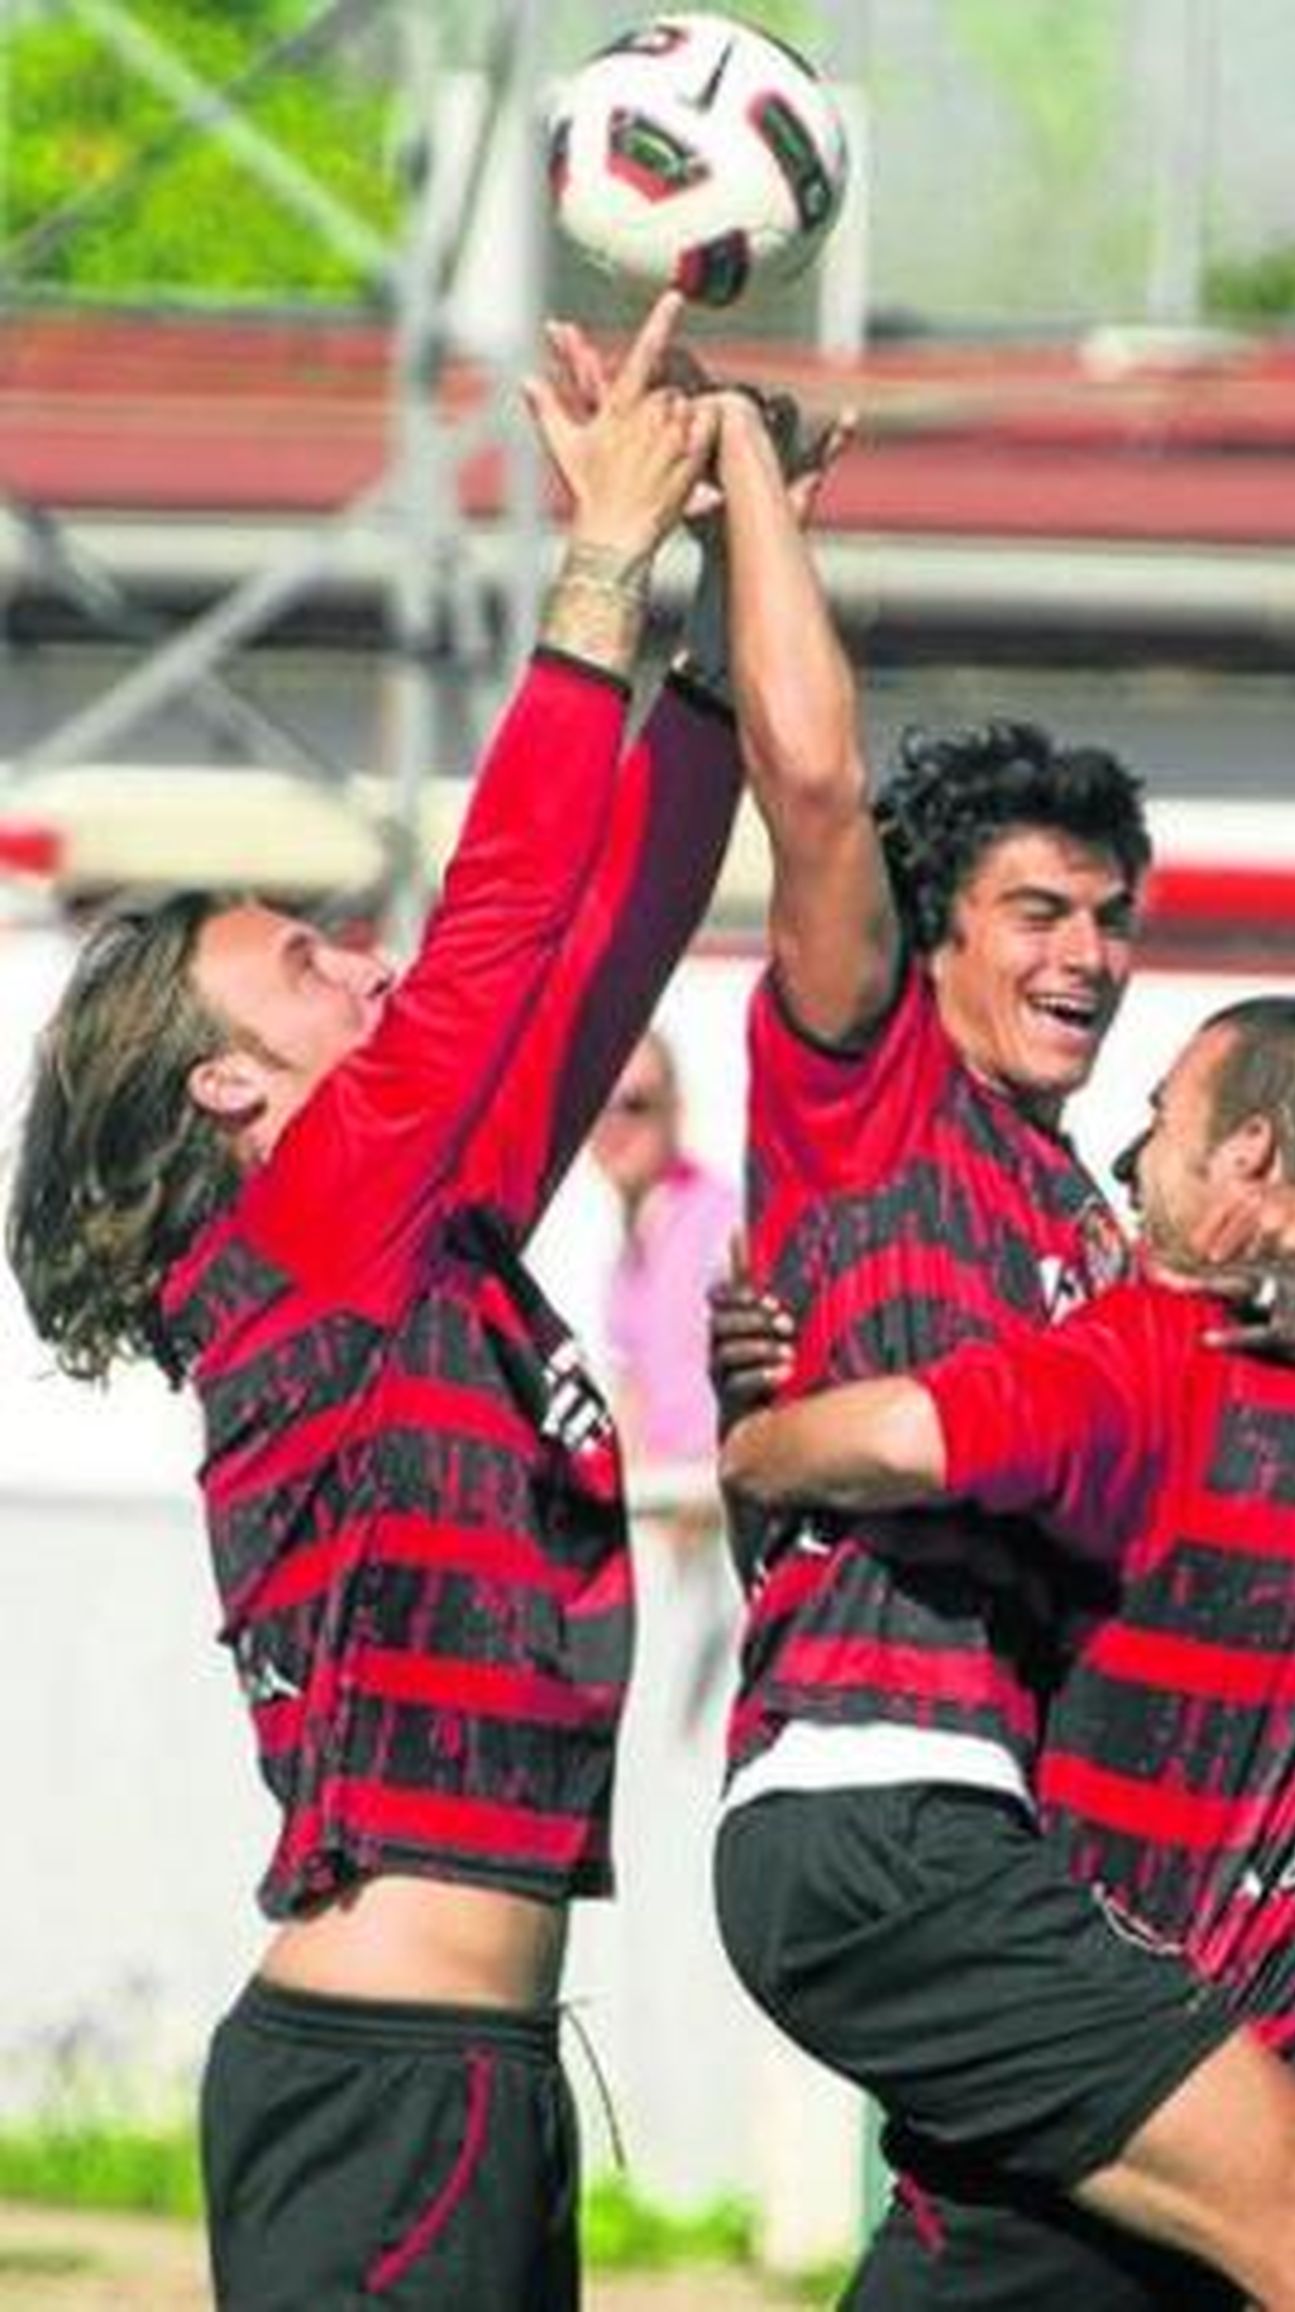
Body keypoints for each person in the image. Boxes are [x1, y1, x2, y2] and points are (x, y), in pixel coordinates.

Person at [4, 295, 745, 2311]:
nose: (365, 966)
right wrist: (599, 553)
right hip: (385, 2078)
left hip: (473, 2070)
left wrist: (719, 586)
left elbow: (603, 947)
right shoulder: (304, 1240)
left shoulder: (416, 1250)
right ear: (224, 1092)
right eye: (305, 969)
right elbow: (503, 911)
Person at [707, 400, 1295, 2307]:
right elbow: (815, 785)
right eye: (1040, 910)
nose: (1089, 951)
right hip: (876, 1807)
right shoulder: (873, 1095)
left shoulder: (1100, 1235)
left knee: (1065, 2255)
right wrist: (751, 487)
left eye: (1113, 915)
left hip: (990, 1824)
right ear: (930, 933)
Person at [721, 992, 1295, 2310]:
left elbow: (900, 1439)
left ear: (1249, 1151)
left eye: (1161, 1119)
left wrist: (757, 1442)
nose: (1127, 1157)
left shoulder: (1166, 1347)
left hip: (1125, 2066)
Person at [589, 1024, 740, 1473]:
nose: (614, 1125)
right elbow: (634, 1403)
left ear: (675, 1111)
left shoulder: (721, 1226)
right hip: (665, 1499)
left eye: (635, 1104)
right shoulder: (631, 1249)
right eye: (598, 1105)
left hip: (716, 1494)